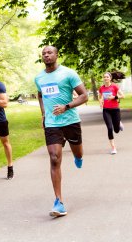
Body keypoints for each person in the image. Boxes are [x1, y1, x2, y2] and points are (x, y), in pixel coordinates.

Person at [35, 46, 88, 217]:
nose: (46, 55)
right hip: (52, 123)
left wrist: (66, 107)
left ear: (57, 55)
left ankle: (78, 157)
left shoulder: (69, 73)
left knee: (78, 153)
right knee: (54, 158)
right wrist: (44, 113)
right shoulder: (39, 77)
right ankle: (58, 202)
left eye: (49, 53)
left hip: (70, 120)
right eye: (43, 53)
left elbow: (84, 95)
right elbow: (40, 95)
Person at [99, 72, 126, 154]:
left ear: (110, 78)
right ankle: (113, 147)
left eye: (107, 77)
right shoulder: (101, 88)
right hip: (106, 110)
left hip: (115, 109)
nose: (106, 78)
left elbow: (123, 96)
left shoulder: (114, 86)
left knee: (116, 130)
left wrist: (114, 97)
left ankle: (118, 124)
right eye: (104, 77)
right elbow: (100, 97)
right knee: (110, 128)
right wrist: (100, 102)